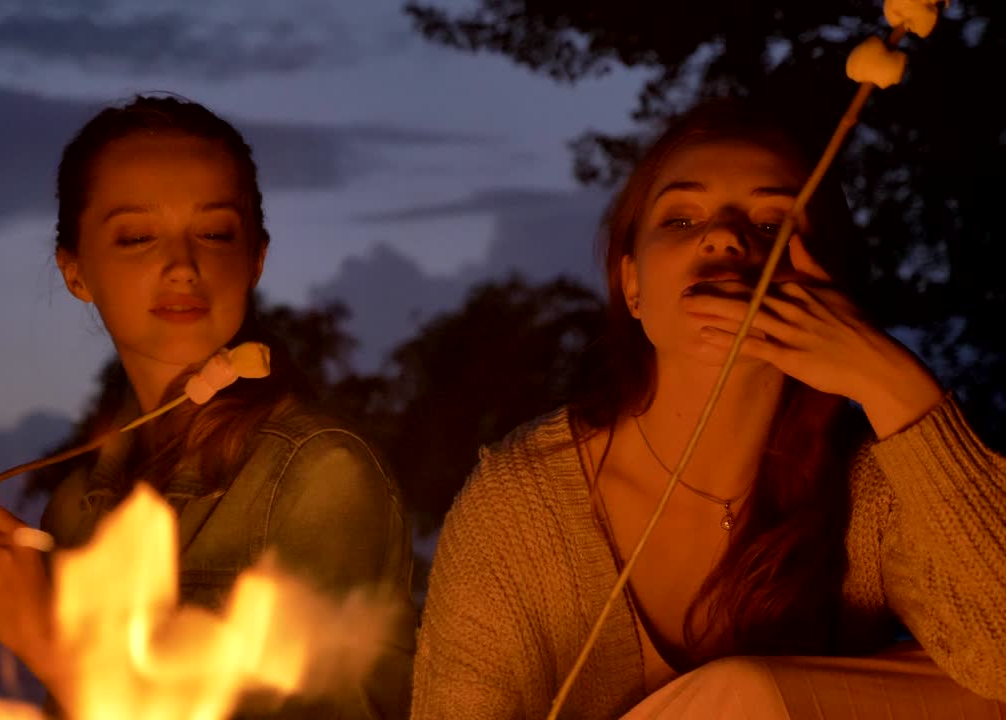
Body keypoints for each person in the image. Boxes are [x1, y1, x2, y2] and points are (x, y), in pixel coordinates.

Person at [0, 94, 416, 720]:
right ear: (75, 269)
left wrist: (51, 640)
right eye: (137, 236)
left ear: (256, 258)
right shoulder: (80, 504)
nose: (182, 265)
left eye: (213, 233)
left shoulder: (319, 478)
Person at [410, 98, 1006, 719]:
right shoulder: (520, 506)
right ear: (633, 285)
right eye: (682, 220)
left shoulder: (875, 490)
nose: (725, 236)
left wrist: (892, 382)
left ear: (828, 282)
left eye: (773, 225)